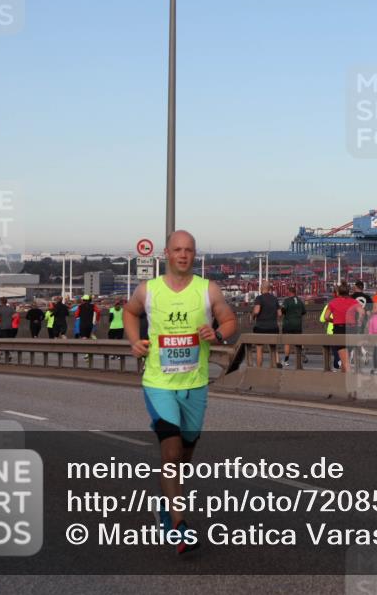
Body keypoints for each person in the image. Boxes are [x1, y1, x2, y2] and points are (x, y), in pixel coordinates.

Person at [123, 230, 237, 556]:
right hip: (158, 383)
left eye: (188, 250)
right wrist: (134, 341)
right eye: (177, 250)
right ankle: (177, 525)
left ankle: (163, 504)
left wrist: (216, 333)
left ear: (194, 254)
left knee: (184, 458)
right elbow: (130, 313)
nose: (183, 255)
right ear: (166, 253)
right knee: (171, 453)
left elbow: (229, 321)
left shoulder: (207, 289)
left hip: (195, 384)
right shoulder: (149, 290)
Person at [324, 283, 361, 373]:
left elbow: (326, 317)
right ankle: (342, 382)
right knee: (345, 357)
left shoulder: (333, 302)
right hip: (352, 329)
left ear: (338, 292)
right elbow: (362, 312)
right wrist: (359, 320)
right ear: (348, 291)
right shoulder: (354, 302)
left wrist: (333, 321)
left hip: (339, 329)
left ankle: (351, 382)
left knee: (345, 360)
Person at [251, 281, 281, 368]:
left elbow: (256, 311)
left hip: (261, 327)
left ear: (261, 288)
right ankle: (276, 364)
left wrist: (253, 316)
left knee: (259, 349)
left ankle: (259, 368)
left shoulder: (259, 298)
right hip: (273, 327)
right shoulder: (275, 299)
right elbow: (279, 314)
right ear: (269, 289)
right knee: (273, 348)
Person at [280, 286, 307, 368]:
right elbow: (303, 312)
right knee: (298, 341)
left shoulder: (287, 301)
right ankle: (302, 353)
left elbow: (282, 311)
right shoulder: (300, 301)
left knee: (287, 343)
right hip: (298, 324)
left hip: (288, 324)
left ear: (289, 292)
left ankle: (286, 360)